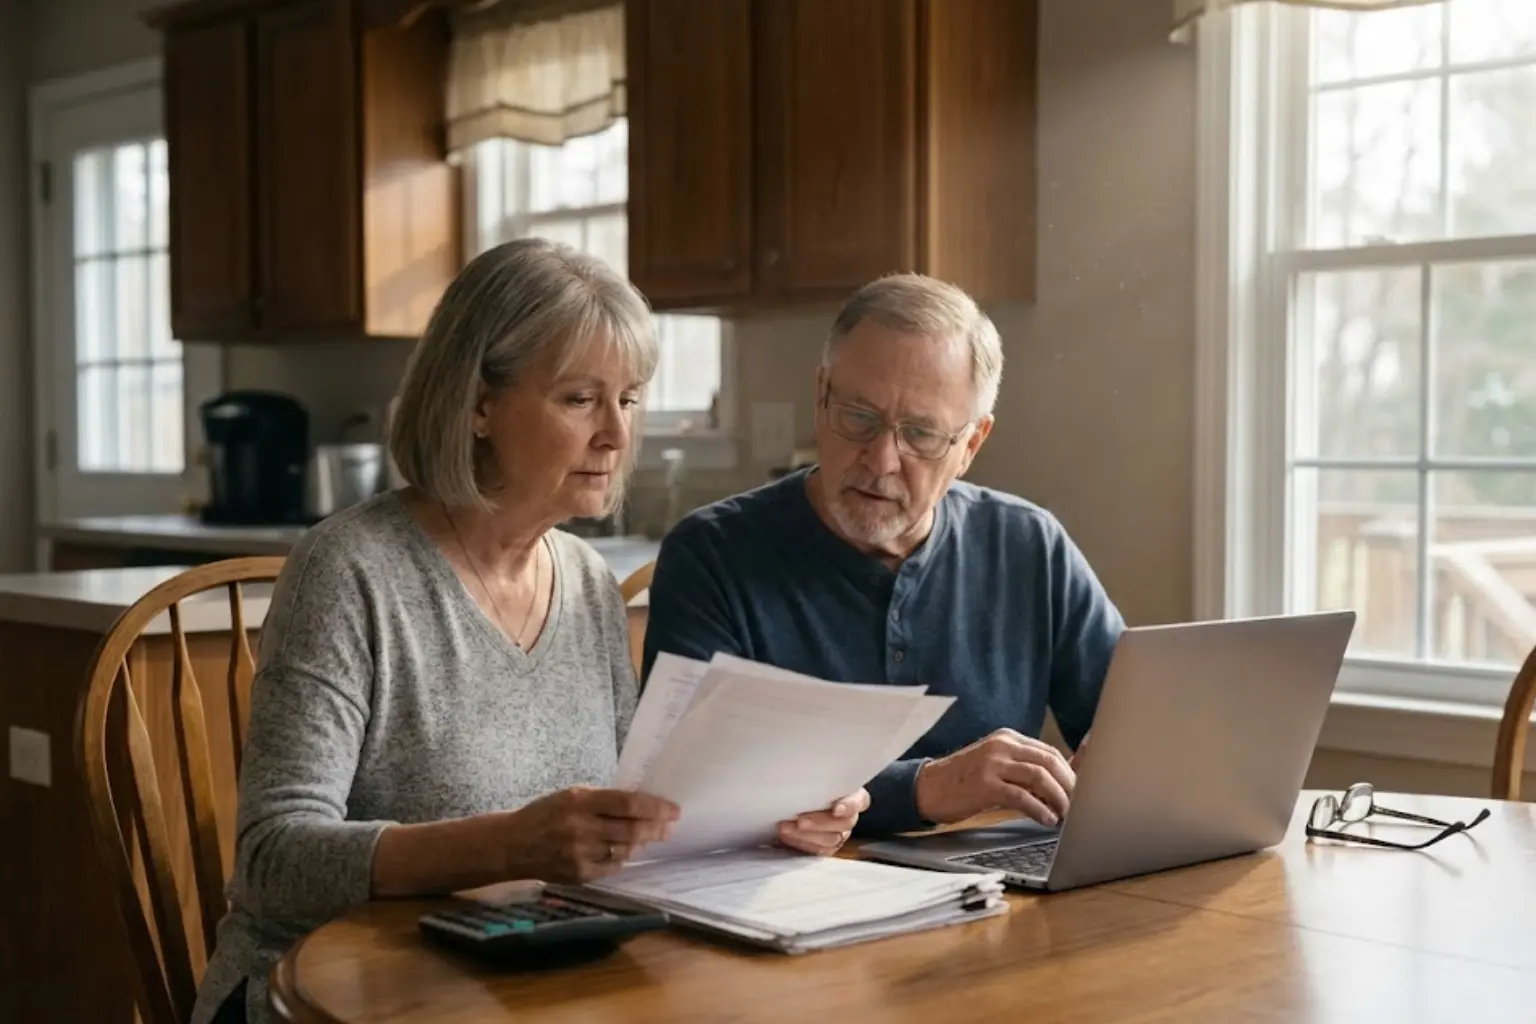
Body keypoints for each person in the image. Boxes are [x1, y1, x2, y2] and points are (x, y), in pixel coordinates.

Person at [191, 239, 869, 1024]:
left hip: (518, 983)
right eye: (580, 399)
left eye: (630, 398)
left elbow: (621, 823)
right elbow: (273, 860)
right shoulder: (349, 571)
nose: (616, 435)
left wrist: (771, 822)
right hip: (320, 995)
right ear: (478, 403)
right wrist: (506, 845)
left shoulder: (584, 583)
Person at [642, 273, 1125, 839]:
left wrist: (1129, 762)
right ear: (821, 396)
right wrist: (926, 788)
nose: (881, 460)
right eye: (859, 417)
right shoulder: (710, 556)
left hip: (996, 897)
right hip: (792, 904)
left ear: (971, 445)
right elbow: (689, 796)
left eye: (920, 434)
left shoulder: (1030, 546)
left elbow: (1131, 724)